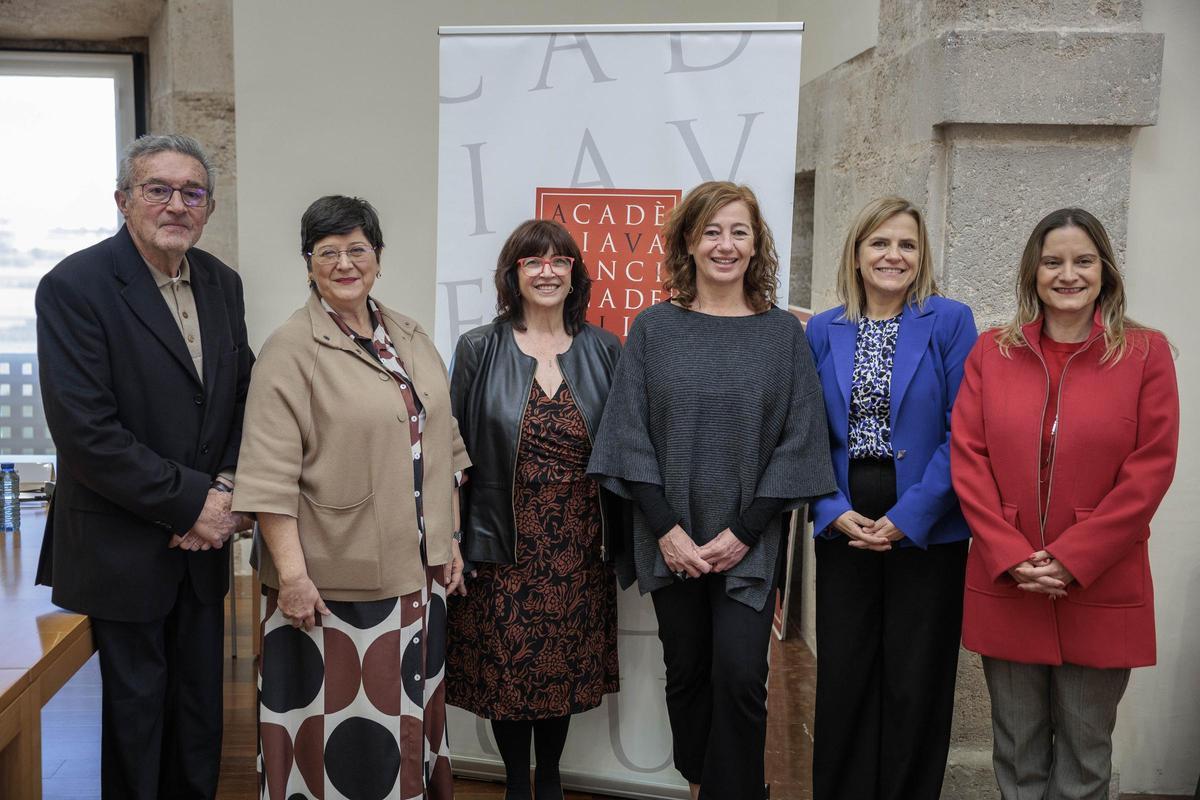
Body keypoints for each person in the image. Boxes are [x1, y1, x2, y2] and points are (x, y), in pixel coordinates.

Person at [588, 181, 835, 800]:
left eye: (739, 232)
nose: (725, 245)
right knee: (688, 673)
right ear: (689, 244)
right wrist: (667, 530)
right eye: (712, 232)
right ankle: (702, 784)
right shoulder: (654, 329)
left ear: (756, 246)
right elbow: (628, 437)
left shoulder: (782, 336)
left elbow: (800, 442)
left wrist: (745, 532)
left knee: (742, 676)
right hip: (670, 537)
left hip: (749, 541)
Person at [34, 133, 253, 799]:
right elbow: (86, 433)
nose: (176, 205)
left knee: (199, 719)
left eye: (192, 192)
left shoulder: (222, 283)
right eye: (158, 189)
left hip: (202, 546)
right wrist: (193, 504)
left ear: (209, 207)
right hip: (121, 547)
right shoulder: (74, 286)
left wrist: (225, 490)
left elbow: (242, 398)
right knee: (136, 724)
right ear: (123, 200)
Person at [230, 196, 471, 800]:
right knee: (343, 736)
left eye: (357, 249)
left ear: (378, 258)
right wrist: (292, 577)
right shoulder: (290, 350)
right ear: (308, 263)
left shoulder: (409, 335)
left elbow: (446, 447)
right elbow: (268, 477)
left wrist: (450, 538)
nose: (344, 263)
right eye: (327, 252)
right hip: (331, 585)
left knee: (409, 724)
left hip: (419, 577)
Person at [951, 208, 1178, 800]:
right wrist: (1010, 553)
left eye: (1083, 261)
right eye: (1053, 262)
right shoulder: (991, 352)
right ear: (1034, 271)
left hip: (1101, 582)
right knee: (1017, 756)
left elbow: (1150, 470)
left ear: (1105, 270)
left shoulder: (1146, 354)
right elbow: (968, 458)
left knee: (1084, 758)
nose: (1068, 274)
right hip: (1010, 580)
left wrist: (1073, 558)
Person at [804, 196, 976, 800]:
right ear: (856, 253)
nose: (893, 256)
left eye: (907, 244)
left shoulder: (950, 321)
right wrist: (830, 509)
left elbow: (965, 432)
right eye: (879, 242)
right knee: (846, 676)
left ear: (922, 255)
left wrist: (909, 516)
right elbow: (805, 434)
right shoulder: (824, 328)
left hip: (929, 528)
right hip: (844, 524)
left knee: (915, 681)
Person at [445, 219, 622, 800]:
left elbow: (625, 446)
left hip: (579, 541)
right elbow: (452, 454)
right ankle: (517, 784)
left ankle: (549, 779)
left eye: (559, 261)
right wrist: (452, 538)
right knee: (508, 667)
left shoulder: (604, 349)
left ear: (574, 274)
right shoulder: (479, 348)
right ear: (513, 274)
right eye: (533, 261)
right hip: (500, 537)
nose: (547, 272)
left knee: (559, 667)